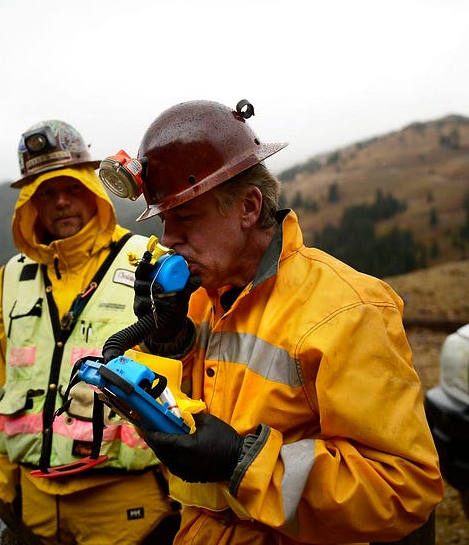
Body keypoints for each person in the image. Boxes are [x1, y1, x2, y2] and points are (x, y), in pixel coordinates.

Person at [98, 100, 444, 544]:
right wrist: (169, 340)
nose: (167, 240)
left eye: (185, 217)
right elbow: (186, 422)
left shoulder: (347, 309)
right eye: (165, 219)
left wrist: (241, 463)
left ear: (248, 206)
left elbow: (403, 489)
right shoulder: (200, 301)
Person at [0, 119, 180, 544]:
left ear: (92, 187)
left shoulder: (147, 262)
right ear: (30, 203)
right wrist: (1, 489)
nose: (61, 203)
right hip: (33, 504)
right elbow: (0, 386)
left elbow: (183, 385)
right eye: (46, 193)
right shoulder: (8, 281)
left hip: (124, 507)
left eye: (72, 187)